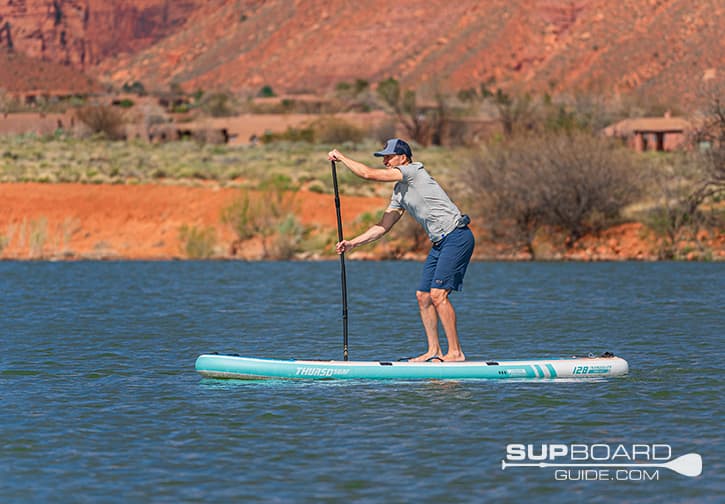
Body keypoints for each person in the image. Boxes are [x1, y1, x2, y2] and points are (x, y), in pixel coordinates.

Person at [328, 139, 475, 362]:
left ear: (403, 158)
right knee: (423, 296)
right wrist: (352, 243)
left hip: (457, 236)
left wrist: (342, 157)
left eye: (389, 157)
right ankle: (433, 351)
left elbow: (368, 174)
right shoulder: (399, 193)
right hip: (439, 243)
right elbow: (383, 226)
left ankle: (455, 352)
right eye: (383, 157)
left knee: (438, 295)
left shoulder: (413, 171)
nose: (385, 161)